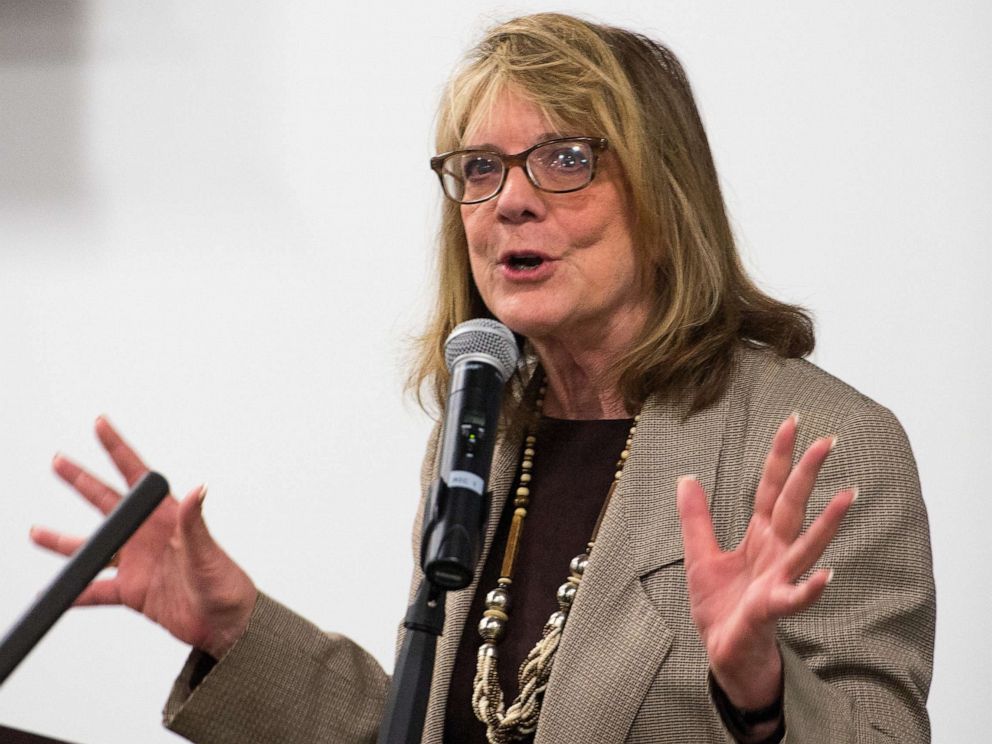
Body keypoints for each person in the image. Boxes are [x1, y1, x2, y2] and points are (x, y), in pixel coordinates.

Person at [29, 12, 934, 744]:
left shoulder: (822, 444)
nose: (512, 199)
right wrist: (235, 627)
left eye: (567, 158)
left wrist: (762, 692)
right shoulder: (486, 429)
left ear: (666, 196)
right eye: (480, 168)